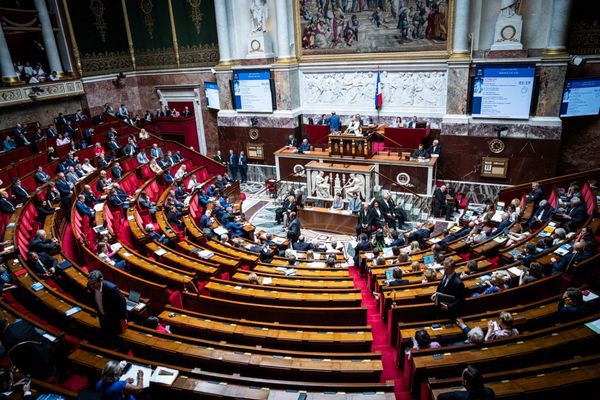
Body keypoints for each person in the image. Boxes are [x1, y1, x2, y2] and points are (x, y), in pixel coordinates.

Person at [87, 270, 128, 351]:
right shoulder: (90, 286)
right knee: (106, 334)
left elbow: (122, 301)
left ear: (101, 280)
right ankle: (110, 350)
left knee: (118, 337)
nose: (92, 286)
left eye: (94, 283)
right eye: (90, 283)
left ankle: (122, 353)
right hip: (102, 315)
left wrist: (123, 317)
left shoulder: (111, 288)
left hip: (114, 317)